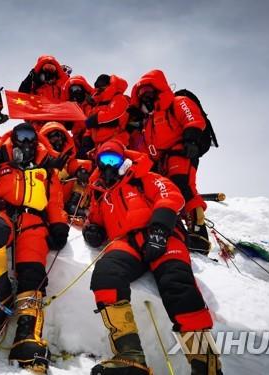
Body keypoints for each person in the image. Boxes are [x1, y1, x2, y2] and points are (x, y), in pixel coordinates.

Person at [83, 139, 221, 375]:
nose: (108, 166)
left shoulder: (143, 176)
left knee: (177, 284)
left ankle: (206, 366)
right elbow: (95, 221)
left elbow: (170, 195)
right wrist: (92, 231)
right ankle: (129, 356)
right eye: (103, 161)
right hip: (127, 243)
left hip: (163, 235)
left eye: (113, 160)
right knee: (106, 275)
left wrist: (159, 229)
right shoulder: (100, 194)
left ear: (124, 161)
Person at [0, 122, 69, 373]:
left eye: (30, 137)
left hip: (33, 220)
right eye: (20, 136)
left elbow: (55, 201)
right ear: (12, 138)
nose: (25, 141)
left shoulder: (46, 168)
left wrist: (58, 225)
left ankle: (27, 335)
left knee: (33, 273)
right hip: (2, 213)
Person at [128, 69, 210, 252]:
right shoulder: (148, 122)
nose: (145, 98)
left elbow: (192, 117)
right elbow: (147, 147)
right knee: (167, 192)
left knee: (183, 186)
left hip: (182, 151)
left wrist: (191, 139)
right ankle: (179, 228)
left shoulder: (178, 102)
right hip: (162, 161)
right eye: (142, 95)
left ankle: (199, 233)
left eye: (149, 92)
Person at [38, 121, 93, 221]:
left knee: (82, 173)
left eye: (61, 137)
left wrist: (81, 171)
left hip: (63, 196)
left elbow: (74, 164)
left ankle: (74, 205)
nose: (58, 140)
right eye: (54, 136)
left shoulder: (67, 158)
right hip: (42, 196)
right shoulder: (37, 155)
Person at [80, 74, 130, 159]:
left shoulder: (119, 98)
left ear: (109, 85)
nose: (99, 90)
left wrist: (95, 119)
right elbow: (90, 126)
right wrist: (87, 137)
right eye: (98, 88)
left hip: (116, 143)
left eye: (102, 87)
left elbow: (112, 116)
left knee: (111, 169)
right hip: (98, 146)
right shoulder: (97, 104)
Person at [61, 75, 95, 153]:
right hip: (76, 141)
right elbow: (65, 125)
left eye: (77, 89)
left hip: (91, 139)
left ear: (84, 89)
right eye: (72, 89)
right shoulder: (70, 108)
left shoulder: (92, 104)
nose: (75, 92)